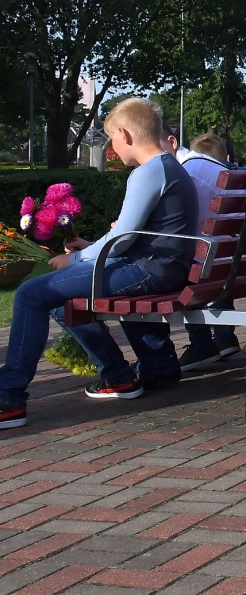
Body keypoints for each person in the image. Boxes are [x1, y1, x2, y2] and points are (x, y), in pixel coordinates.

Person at [0, 99, 199, 429]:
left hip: (149, 270)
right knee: (58, 300)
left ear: (125, 134)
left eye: (112, 139)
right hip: (162, 266)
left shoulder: (148, 172)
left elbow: (121, 240)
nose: (113, 147)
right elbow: (134, 236)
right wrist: (91, 247)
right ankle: (124, 375)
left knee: (31, 294)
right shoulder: (168, 167)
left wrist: (75, 258)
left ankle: (8, 397)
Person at [167, 133, 242, 370]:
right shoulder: (230, 175)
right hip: (240, 263)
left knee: (183, 265)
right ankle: (224, 337)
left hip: (211, 265)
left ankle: (201, 343)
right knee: (215, 260)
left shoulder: (187, 172)